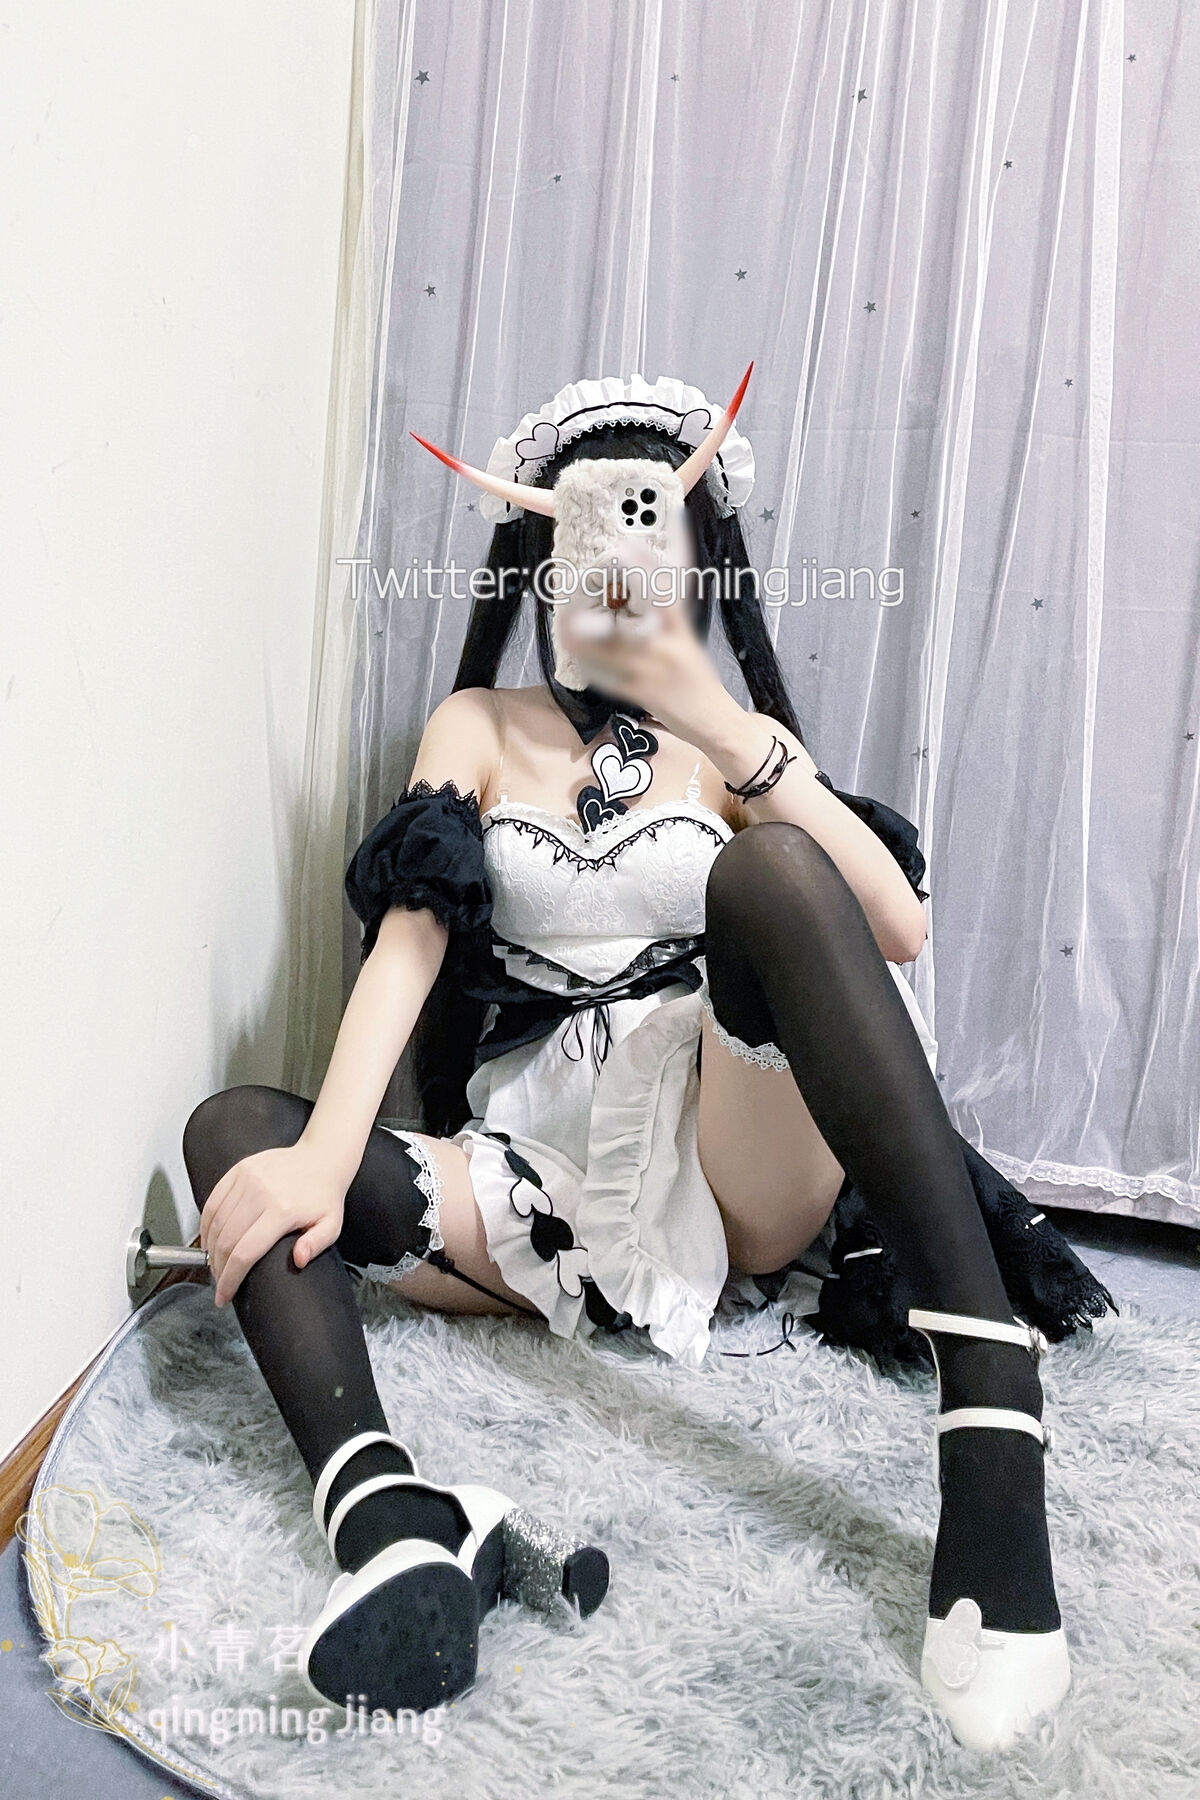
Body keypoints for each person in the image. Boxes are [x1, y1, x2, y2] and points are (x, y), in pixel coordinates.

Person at [182, 370, 1112, 1755]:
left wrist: (713, 715)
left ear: (694, 560)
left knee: (773, 879)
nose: (613, 566)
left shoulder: (733, 741)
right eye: (582, 537)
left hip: (729, 1145)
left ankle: (989, 1402)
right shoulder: (478, 725)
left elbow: (898, 931)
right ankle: (394, 1523)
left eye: (645, 534)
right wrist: (324, 1156)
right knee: (237, 1134)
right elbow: (409, 945)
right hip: (543, 1157)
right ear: (540, 558)